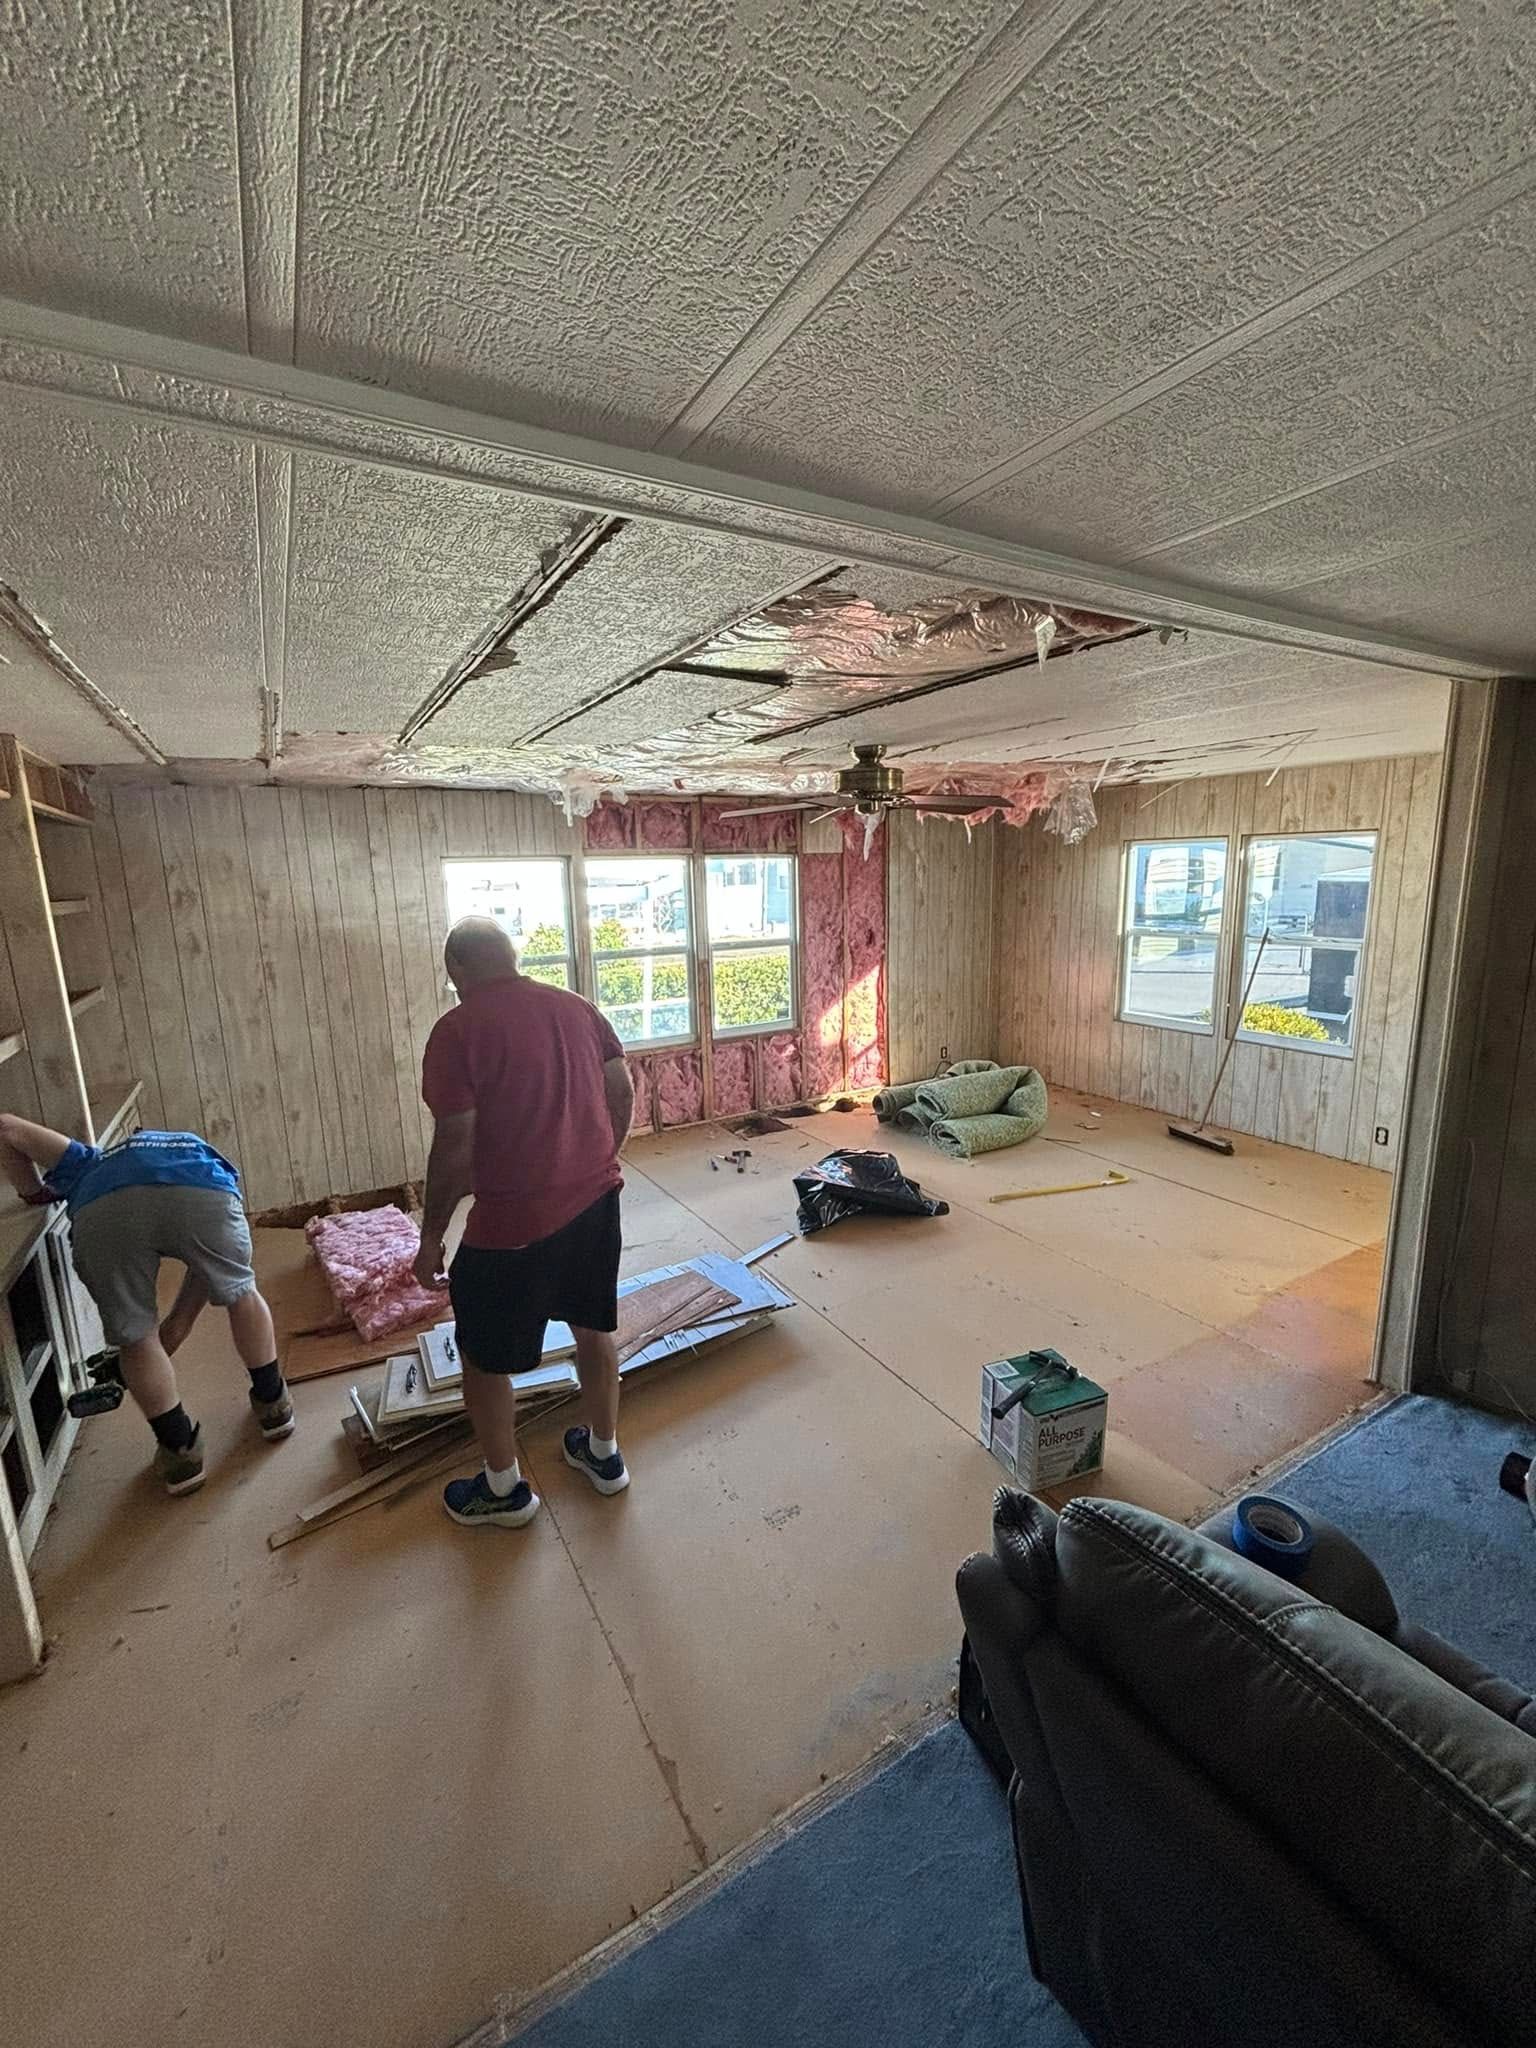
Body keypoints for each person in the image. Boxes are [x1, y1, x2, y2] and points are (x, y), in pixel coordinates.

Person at [414, 916, 634, 1529]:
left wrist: (431, 1238)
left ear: (456, 969)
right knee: (594, 1328)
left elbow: (455, 1143)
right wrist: (600, 1156)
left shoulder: (456, 1031)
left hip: (512, 1225)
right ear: (512, 958)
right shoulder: (576, 1008)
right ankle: (604, 1455)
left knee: (483, 1358)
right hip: (596, 1202)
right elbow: (621, 1085)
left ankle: (504, 1491)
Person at [0, 1116, 291, 1495]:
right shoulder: (188, 1148)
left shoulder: (89, 1162)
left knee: (136, 1339)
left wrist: (33, 1193)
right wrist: (178, 1327)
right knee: (240, 1291)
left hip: (103, 1212)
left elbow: (7, 1128)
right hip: (201, 1192)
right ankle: (274, 1406)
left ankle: (179, 1452)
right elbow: (210, 1268)